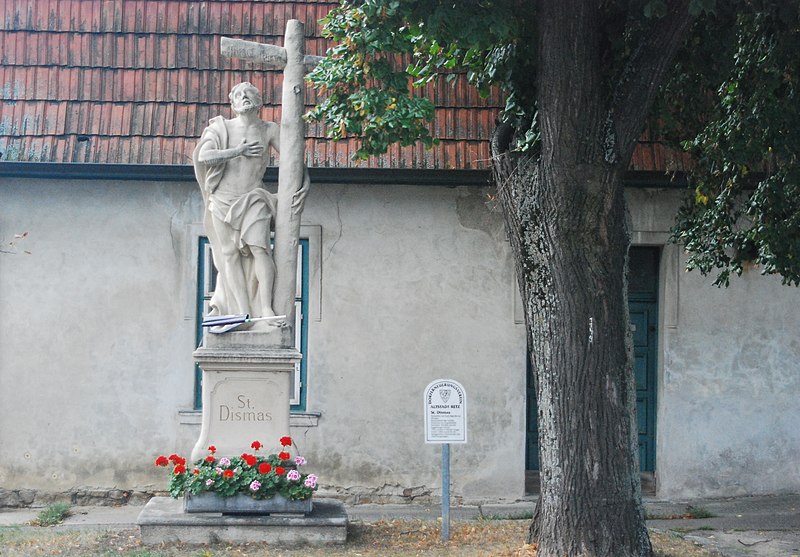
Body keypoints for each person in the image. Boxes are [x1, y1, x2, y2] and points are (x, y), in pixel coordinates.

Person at [192, 82, 288, 320]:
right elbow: (204, 156)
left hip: (253, 197)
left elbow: (292, 158)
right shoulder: (221, 129)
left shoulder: (268, 129)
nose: (243, 97)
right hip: (223, 198)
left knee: (260, 249)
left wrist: (302, 182)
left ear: (258, 101)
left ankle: (266, 307)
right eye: (238, 94)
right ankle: (242, 310)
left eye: (249, 93)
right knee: (229, 254)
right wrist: (238, 151)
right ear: (232, 103)